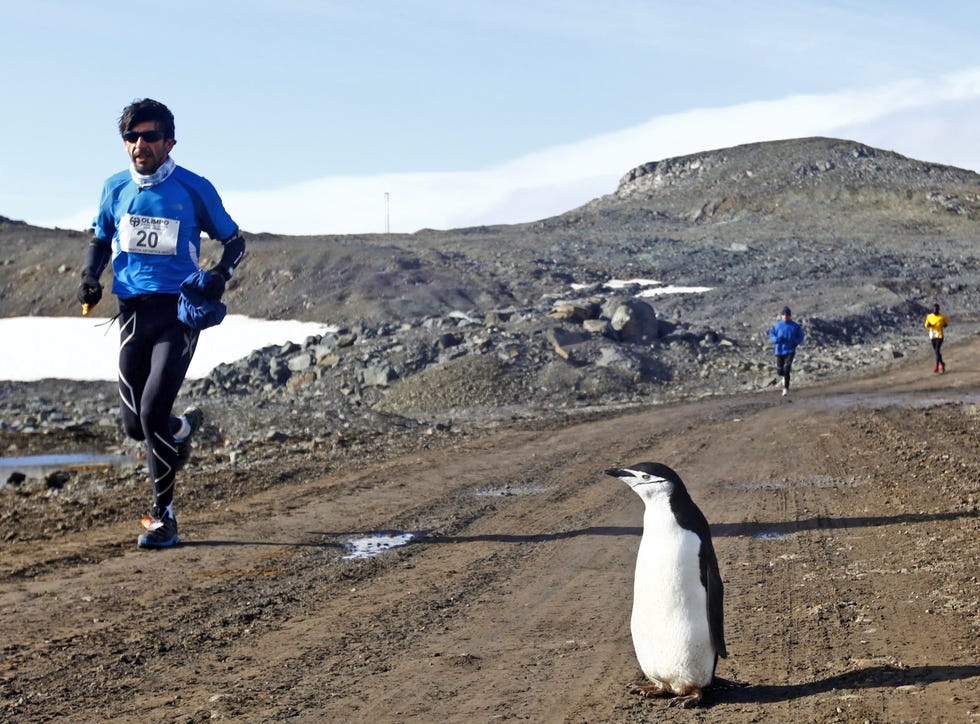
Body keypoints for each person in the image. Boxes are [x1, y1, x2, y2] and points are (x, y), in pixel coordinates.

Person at [76, 99, 246, 549]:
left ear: (169, 142)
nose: (139, 145)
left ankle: (163, 518)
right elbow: (100, 237)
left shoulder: (193, 188)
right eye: (131, 137)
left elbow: (235, 241)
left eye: (150, 136)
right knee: (137, 426)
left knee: (151, 411)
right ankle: (180, 431)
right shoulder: (114, 188)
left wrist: (218, 275)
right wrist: (90, 278)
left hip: (178, 313)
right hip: (133, 313)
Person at [768, 306, 804, 396]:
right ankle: (784, 377)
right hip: (779, 351)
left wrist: (796, 342)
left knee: (787, 368)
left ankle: (786, 389)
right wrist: (776, 339)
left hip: (790, 350)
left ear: (790, 316)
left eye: (787, 315)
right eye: (783, 314)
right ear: (781, 315)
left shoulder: (795, 326)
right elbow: (771, 334)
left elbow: (801, 335)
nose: (785, 316)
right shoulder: (777, 325)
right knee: (780, 371)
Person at [924, 303, 948, 373]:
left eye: (937, 309)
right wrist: (929, 325)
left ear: (939, 309)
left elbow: (946, 324)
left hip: (939, 336)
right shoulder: (929, 317)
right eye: (934, 309)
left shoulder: (942, 317)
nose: (935, 310)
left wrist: (942, 325)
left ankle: (937, 366)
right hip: (932, 336)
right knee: (936, 352)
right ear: (932, 309)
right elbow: (926, 325)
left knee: (937, 351)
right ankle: (942, 363)